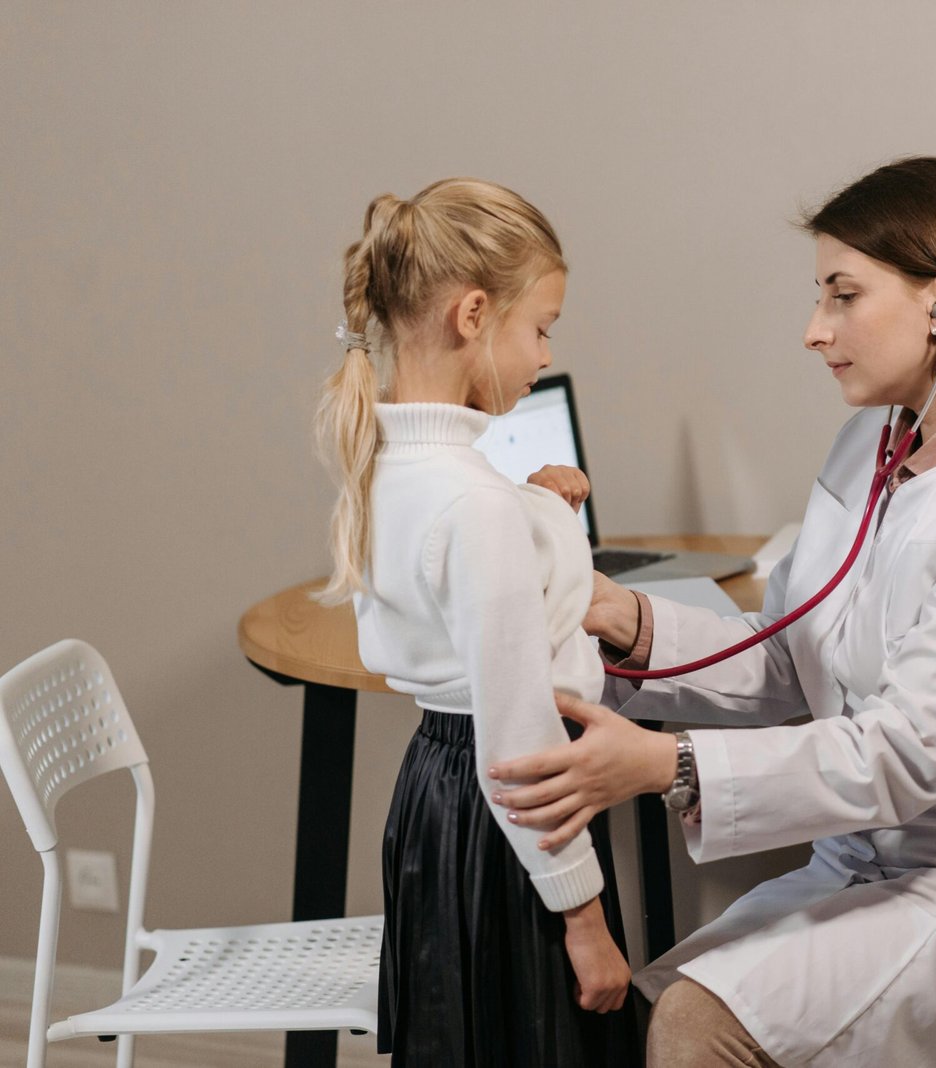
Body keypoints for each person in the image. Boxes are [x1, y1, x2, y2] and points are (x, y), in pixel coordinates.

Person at [489, 157, 936, 1067]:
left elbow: (901, 753)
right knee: (617, 1020)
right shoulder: (877, 438)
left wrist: (663, 763)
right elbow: (791, 662)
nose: (815, 331)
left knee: (695, 1031)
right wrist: (621, 616)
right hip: (880, 863)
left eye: (842, 295)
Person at [314, 177, 642, 1066]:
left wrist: (539, 517)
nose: (544, 356)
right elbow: (520, 735)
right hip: (515, 814)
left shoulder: (392, 468)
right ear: (472, 315)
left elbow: (462, 615)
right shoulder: (476, 507)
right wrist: (584, 919)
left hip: (437, 794)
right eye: (541, 328)